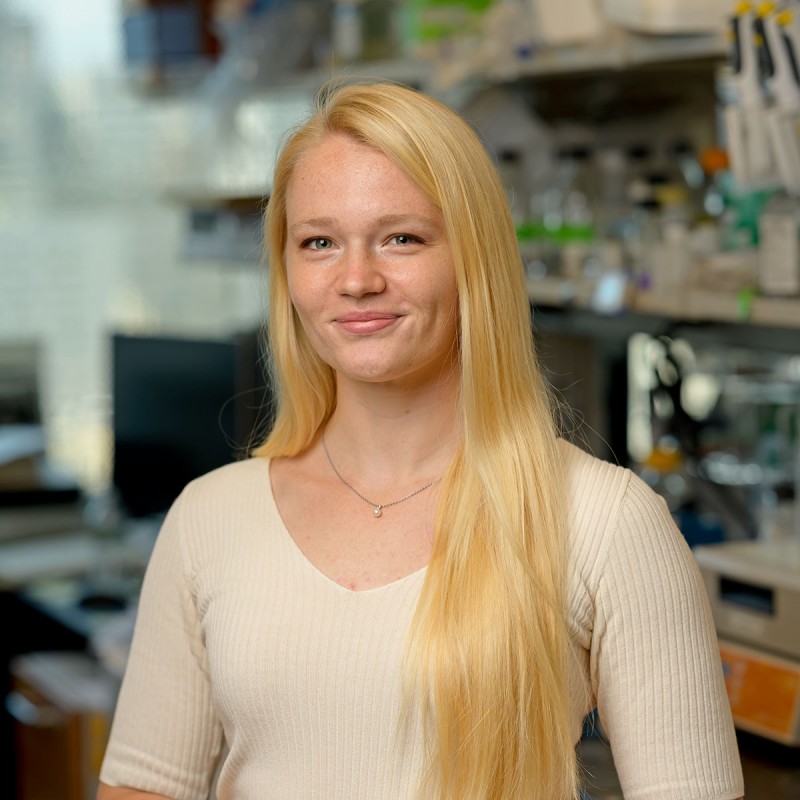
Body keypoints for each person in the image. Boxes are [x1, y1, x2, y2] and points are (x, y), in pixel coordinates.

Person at [96, 80, 744, 800]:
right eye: (319, 243)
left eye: (401, 238)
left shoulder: (606, 522)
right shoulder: (209, 517)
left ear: (474, 259)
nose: (356, 280)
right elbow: (141, 790)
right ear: (287, 271)